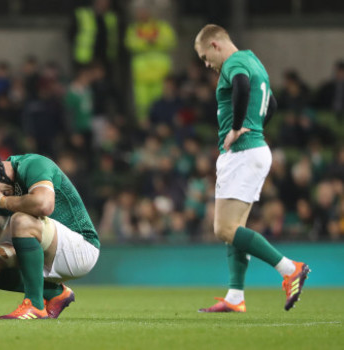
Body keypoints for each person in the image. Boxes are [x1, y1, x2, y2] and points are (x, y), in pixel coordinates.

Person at [193, 24, 310, 312]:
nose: (207, 64)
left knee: (223, 228)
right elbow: (272, 103)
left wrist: (237, 129)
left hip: (243, 153)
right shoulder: (253, 60)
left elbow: (243, 85)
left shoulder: (234, 63)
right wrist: (254, 129)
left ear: (215, 45)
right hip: (254, 149)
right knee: (235, 228)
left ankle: (289, 268)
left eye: (205, 57)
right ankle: (236, 296)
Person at [0, 154, 100, 319]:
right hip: (47, 249)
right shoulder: (1, 191)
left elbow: (44, 205)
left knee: (21, 220)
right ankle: (55, 293)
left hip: (81, 248)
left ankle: (34, 305)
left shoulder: (33, 165)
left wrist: (1, 200)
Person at [125, 5, 176, 124]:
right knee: (142, 102)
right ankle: (144, 124)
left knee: (161, 100)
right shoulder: (134, 28)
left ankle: (162, 123)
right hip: (141, 75)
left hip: (160, 73)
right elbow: (130, 43)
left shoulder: (161, 27)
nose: (142, 14)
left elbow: (171, 41)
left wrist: (155, 41)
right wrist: (147, 42)